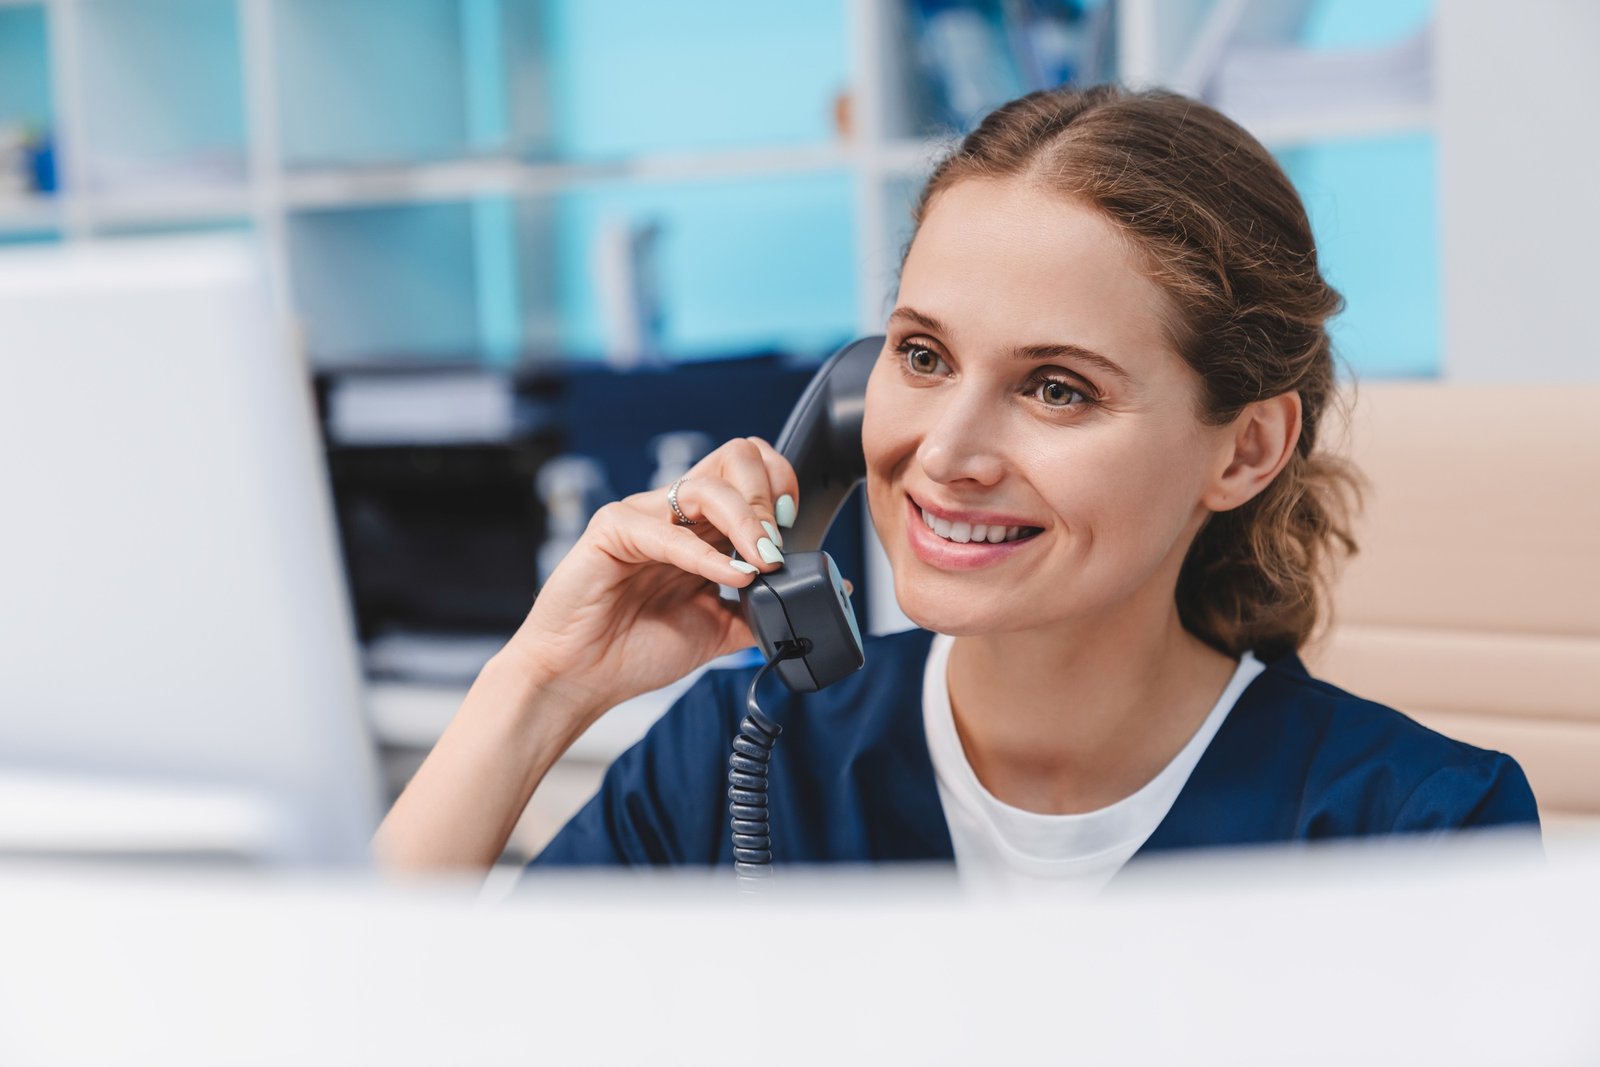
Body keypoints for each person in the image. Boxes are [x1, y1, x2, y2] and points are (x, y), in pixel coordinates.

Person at [373, 85, 1539, 891]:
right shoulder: (747, 752)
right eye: (921, 357)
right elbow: (361, 1020)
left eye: (1058, 388)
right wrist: (537, 686)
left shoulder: (1415, 824)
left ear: (1243, 450)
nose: (946, 449)